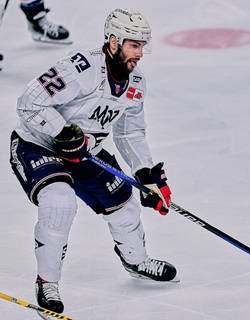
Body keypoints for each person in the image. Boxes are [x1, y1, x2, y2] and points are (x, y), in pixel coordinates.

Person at [9, 7, 178, 315]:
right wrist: (61, 131)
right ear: (114, 42)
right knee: (59, 203)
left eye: (143, 45)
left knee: (125, 205)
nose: (140, 53)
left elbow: (131, 133)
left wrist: (146, 174)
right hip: (38, 145)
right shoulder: (82, 68)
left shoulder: (136, 83)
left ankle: (136, 261)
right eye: (133, 45)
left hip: (85, 151)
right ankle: (47, 283)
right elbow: (29, 102)